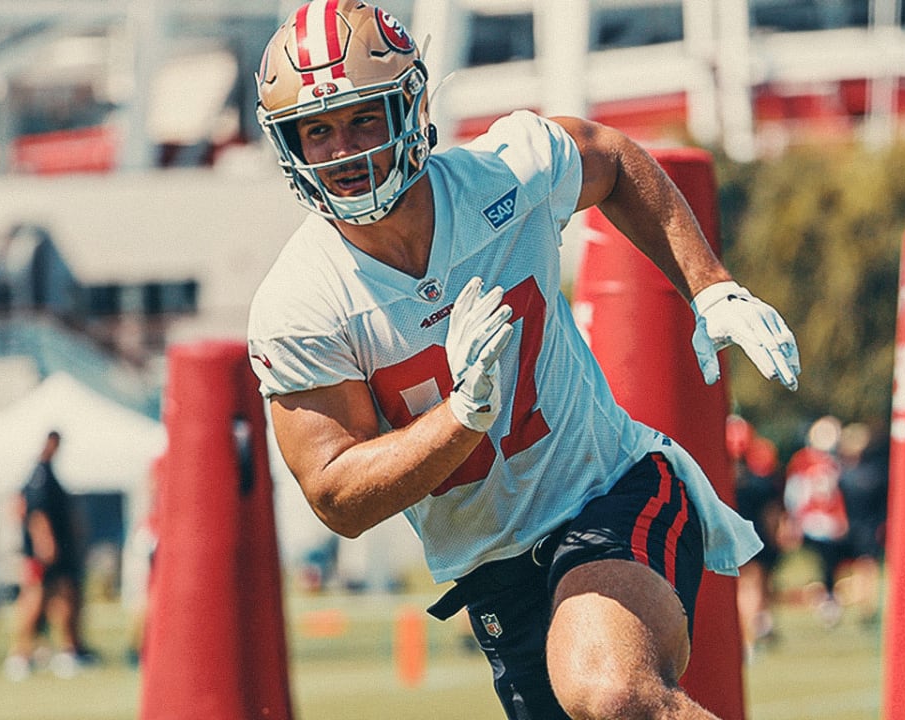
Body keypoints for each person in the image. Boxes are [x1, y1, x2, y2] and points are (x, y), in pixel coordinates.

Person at [246, 3, 802, 717]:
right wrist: (462, 418)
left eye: (363, 119)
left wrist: (712, 286)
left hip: (607, 487)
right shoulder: (300, 304)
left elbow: (612, 158)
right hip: (492, 567)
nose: (344, 151)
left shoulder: (502, 173)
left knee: (611, 692)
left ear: (409, 108)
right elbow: (336, 494)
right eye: (316, 131)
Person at [3, 431, 97, 680]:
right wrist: (46, 545)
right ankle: (20, 654)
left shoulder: (47, 474)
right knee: (35, 600)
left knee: (62, 600)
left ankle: (68, 649)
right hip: (44, 554)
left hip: (57, 553)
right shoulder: (40, 475)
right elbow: (36, 513)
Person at [726, 414, 787, 661]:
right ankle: (752, 632)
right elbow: (772, 513)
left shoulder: (720, 481)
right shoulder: (759, 481)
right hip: (754, 537)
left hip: (732, 537)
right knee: (752, 586)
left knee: (745, 587)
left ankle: (751, 632)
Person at [783, 415, 849, 629]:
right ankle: (822, 597)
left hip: (828, 521)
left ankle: (827, 597)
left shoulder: (835, 461)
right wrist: (794, 519)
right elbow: (794, 491)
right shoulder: (805, 461)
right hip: (812, 519)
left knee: (829, 564)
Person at [834, 420, 889, 628]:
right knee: (860, 569)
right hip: (855, 527)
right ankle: (859, 604)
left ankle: (865, 606)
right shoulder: (870, 473)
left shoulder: (856, 473)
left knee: (865, 568)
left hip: (862, 527)